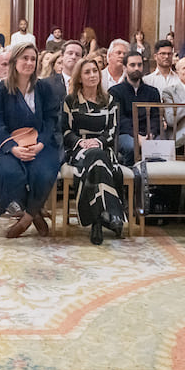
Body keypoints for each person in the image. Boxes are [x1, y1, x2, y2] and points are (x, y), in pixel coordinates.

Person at [0, 42, 62, 238]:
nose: (29, 62)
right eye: (24, 58)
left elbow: (51, 120)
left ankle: (26, 219)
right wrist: (12, 148)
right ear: (14, 61)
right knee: (10, 173)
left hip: (40, 143)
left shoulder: (44, 88)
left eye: (33, 59)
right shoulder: (0, 90)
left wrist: (41, 143)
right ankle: (34, 213)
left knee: (43, 172)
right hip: (8, 143)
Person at [63, 58, 126, 244]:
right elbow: (65, 130)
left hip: (103, 148)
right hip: (79, 150)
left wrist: (98, 142)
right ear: (79, 78)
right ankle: (111, 214)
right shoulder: (71, 101)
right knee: (95, 159)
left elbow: (112, 130)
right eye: (87, 72)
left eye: (95, 71)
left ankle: (96, 219)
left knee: (97, 159)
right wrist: (80, 143)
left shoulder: (110, 101)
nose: (92, 75)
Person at [107, 50, 161, 166]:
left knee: (164, 149)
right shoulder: (115, 91)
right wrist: (137, 137)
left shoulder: (153, 92)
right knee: (132, 147)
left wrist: (151, 133)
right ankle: (130, 181)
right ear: (125, 67)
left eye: (139, 65)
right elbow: (120, 119)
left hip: (149, 133)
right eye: (132, 65)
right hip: (126, 133)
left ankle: (156, 183)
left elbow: (156, 117)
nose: (137, 68)